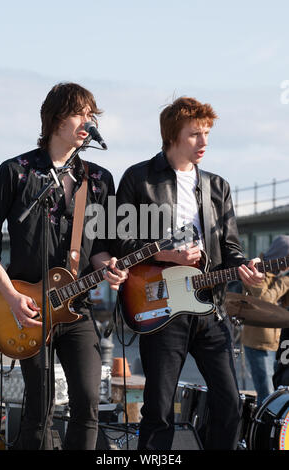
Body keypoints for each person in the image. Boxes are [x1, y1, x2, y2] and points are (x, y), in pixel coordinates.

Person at [114, 96, 263, 450]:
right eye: (195, 134)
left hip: (209, 308)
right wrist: (166, 252)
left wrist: (243, 268)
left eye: (207, 133)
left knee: (229, 403)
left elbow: (231, 250)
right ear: (172, 136)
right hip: (161, 306)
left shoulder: (218, 186)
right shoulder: (139, 178)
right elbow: (118, 243)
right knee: (159, 409)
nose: (204, 142)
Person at [0, 82, 127, 450]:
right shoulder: (16, 172)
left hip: (75, 307)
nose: (88, 121)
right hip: (26, 309)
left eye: (92, 115)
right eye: (81, 113)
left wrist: (110, 266)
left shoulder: (98, 180)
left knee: (88, 403)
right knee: (39, 409)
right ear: (55, 119)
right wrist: (11, 296)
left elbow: (99, 247)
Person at [241, 236, 289, 405]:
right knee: (267, 394)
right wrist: (285, 281)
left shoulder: (279, 274)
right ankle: (262, 430)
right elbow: (264, 301)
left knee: (280, 392)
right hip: (259, 344)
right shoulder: (257, 269)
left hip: (278, 343)